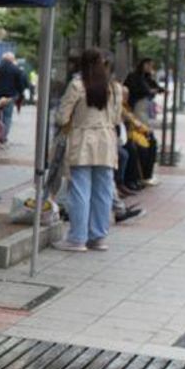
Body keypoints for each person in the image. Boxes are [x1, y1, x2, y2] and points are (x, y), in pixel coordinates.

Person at [54, 49, 123, 252]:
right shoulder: (115, 88)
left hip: (82, 139)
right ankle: (98, 237)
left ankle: (77, 238)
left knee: (80, 191)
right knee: (103, 191)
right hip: (106, 141)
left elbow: (61, 118)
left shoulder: (77, 86)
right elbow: (117, 119)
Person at [0, 51, 27, 134]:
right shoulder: (16, 70)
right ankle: (3, 137)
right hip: (10, 97)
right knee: (7, 117)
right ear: (12, 59)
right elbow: (20, 83)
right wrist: (20, 93)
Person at [124, 58, 162, 123]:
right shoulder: (134, 76)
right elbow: (135, 89)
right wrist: (149, 91)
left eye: (151, 66)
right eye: (149, 65)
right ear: (144, 64)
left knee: (142, 123)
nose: (150, 68)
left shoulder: (147, 77)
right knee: (139, 123)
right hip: (135, 103)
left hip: (143, 104)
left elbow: (154, 85)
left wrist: (160, 90)